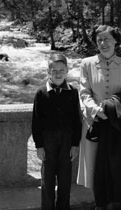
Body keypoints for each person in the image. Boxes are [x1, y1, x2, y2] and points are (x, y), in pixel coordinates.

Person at [77, 25, 121, 210]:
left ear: (116, 40)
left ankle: (117, 206)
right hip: (94, 123)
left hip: (119, 123)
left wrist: (112, 109)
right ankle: (99, 205)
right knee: (96, 167)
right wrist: (96, 111)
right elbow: (84, 91)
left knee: (118, 167)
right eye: (99, 39)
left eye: (107, 39)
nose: (103, 43)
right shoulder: (86, 63)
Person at [31, 53, 82, 210]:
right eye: (54, 71)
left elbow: (77, 121)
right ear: (48, 72)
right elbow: (36, 121)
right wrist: (39, 146)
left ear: (67, 71)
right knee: (47, 180)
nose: (58, 73)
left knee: (65, 180)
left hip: (67, 141)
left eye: (61, 70)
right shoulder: (41, 93)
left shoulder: (73, 92)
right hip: (48, 142)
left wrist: (75, 144)